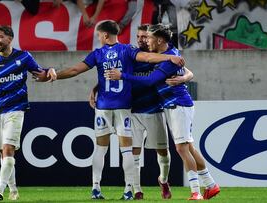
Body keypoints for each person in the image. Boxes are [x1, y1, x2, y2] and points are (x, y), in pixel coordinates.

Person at [32, 20, 184, 200]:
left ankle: (96, 188)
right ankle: (130, 190)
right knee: (127, 150)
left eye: (98, 35)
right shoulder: (129, 50)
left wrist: (54, 75)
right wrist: (170, 57)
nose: (98, 38)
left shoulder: (98, 54)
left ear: (104, 35)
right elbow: (148, 58)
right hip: (125, 107)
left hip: (106, 107)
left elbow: (74, 70)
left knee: (101, 148)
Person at [106, 24, 220, 200]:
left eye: (148, 37)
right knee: (188, 146)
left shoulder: (169, 59)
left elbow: (150, 80)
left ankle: (196, 191)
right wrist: (186, 76)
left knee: (181, 148)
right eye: (141, 37)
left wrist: (123, 76)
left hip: (177, 105)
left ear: (159, 40)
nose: (145, 40)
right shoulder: (168, 55)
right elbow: (183, 68)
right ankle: (210, 185)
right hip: (172, 106)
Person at [88, 24, 193, 200]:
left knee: (163, 153)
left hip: (155, 110)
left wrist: (185, 77)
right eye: (138, 36)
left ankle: (163, 180)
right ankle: (136, 190)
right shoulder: (132, 55)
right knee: (133, 152)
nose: (141, 40)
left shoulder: (158, 56)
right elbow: (111, 73)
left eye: (144, 36)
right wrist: (96, 87)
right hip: (134, 110)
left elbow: (186, 70)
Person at [0, 25, 54, 201]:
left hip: (16, 110)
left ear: (10, 38)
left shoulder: (23, 57)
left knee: (9, 150)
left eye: (0, 37)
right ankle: (13, 189)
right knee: (2, 153)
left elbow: (40, 72)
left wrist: (51, 71)